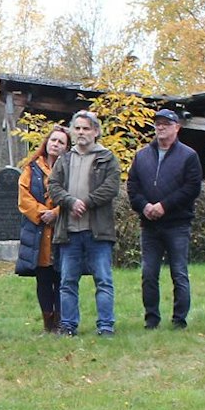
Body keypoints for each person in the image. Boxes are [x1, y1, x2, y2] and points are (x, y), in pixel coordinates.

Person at [48, 110, 121, 336]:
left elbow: (111, 187)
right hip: (69, 232)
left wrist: (86, 202)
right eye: (77, 128)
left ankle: (106, 326)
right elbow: (53, 186)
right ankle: (68, 326)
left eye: (86, 128)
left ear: (95, 131)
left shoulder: (107, 158)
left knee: (103, 280)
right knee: (67, 282)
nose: (81, 132)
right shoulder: (64, 159)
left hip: (98, 231)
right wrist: (70, 202)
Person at [127, 111, 202, 331]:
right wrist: (144, 206)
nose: (160, 128)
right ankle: (151, 319)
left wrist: (164, 206)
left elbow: (191, 188)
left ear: (177, 127)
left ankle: (179, 320)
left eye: (166, 124)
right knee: (149, 273)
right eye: (157, 124)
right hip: (149, 225)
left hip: (177, 224)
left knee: (179, 272)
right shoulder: (142, 156)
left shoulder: (188, 156)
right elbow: (132, 186)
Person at [16, 125, 71, 332]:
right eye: (53, 140)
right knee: (44, 279)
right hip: (38, 232)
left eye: (61, 142)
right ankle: (49, 324)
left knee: (62, 278)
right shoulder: (31, 168)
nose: (56, 145)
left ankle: (63, 322)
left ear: (67, 148)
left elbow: (75, 195)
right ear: (47, 142)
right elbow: (24, 198)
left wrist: (56, 213)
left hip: (62, 230)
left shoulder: (70, 169)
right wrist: (42, 213)